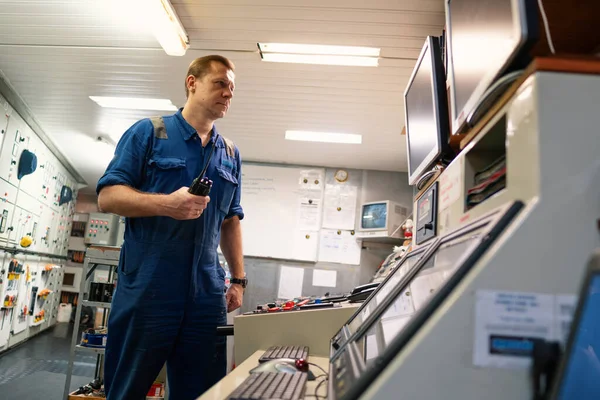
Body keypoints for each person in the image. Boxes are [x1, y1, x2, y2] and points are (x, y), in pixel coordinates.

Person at [96, 55, 246, 400]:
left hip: (207, 293)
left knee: (202, 392)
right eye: (220, 83)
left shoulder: (231, 153)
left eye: (232, 88)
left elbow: (231, 219)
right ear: (192, 83)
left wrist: (238, 279)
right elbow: (107, 196)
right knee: (126, 388)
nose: (228, 93)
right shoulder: (149, 133)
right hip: (149, 286)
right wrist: (166, 204)